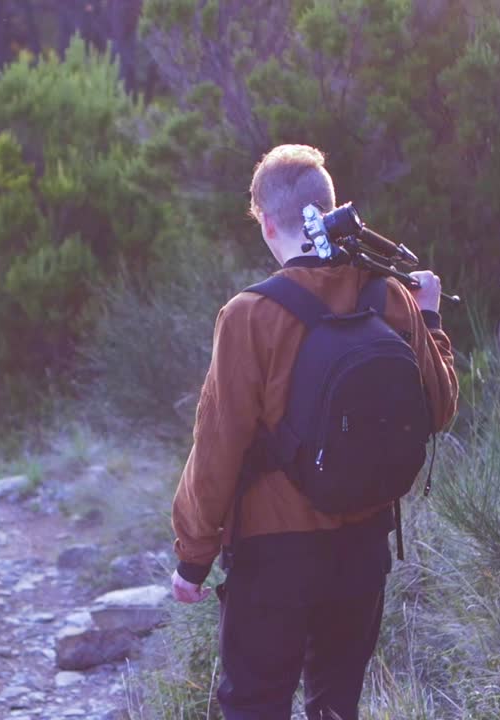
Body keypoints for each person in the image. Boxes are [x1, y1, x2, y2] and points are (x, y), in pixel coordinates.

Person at [168, 144, 459, 720]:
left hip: (274, 555)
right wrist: (429, 317)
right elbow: (440, 408)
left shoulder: (249, 315)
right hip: (364, 546)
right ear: (330, 208)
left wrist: (193, 557)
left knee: (255, 704)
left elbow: (218, 447)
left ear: (266, 223)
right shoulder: (390, 295)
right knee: (335, 707)